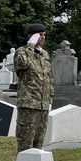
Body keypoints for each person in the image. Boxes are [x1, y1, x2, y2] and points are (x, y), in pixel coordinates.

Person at [14, 23, 53, 152]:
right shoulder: (22, 51)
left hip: (43, 105)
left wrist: (50, 99)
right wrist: (30, 45)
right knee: (26, 143)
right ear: (31, 36)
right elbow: (23, 64)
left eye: (44, 35)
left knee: (38, 144)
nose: (43, 37)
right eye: (40, 35)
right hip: (29, 105)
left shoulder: (45, 54)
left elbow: (49, 78)